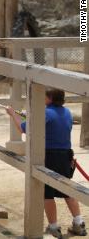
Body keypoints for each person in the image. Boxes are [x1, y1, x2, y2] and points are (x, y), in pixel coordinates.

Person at [6, 88, 87, 238]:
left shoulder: (44, 113)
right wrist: (28, 117)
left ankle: (54, 226)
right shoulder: (67, 112)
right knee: (67, 190)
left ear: (49, 98)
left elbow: (23, 129)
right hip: (65, 156)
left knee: (47, 193)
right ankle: (79, 222)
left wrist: (12, 114)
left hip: (49, 156)